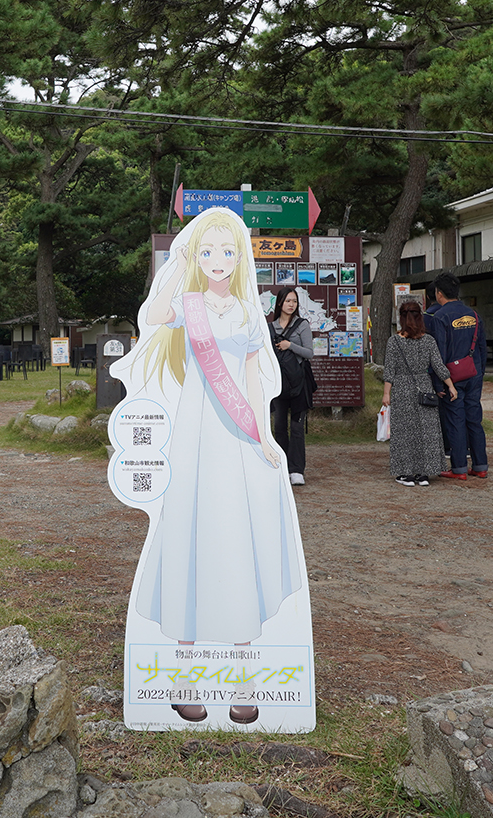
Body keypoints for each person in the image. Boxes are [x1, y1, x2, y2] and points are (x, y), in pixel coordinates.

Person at [123, 207, 305, 723]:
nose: (218, 261)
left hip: (237, 436)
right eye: (208, 252)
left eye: (227, 251)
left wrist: (265, 435)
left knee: (235, 543)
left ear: (239, 257)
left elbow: (252, 379)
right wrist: (178, 263)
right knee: (191, 541)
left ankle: (244, 681)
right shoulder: (189, 303)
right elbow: (153, 316)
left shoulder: (249, 314)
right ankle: (184, 681)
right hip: (195, 434)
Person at [383, 301, 457, 486]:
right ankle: (423, 474)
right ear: (420, 317)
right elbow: (439, 366)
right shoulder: (429, 340)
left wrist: (386, 394)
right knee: (425, 431)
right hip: (424, 387)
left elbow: (389, 371)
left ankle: (406, 474)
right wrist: (451, 386)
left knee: (404, 432)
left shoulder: (394, 342)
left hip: (401, 388)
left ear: (401, 318)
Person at [424, 272, 488, 480]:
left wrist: (438, 383)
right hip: (474, 374)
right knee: (474, 420)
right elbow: (482, 348)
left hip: (452, 378)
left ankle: (459, 468)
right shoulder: (474, 314)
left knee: (455, 421)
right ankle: (480, 465)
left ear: (439, 293)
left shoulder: (441, 316)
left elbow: (439, 353)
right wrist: (480, 374)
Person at [268, 286, 313, 485]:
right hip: (278, 385)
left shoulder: (302, 325)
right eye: (287, 301)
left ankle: (296, 470)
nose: (291, 304)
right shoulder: (270, 327)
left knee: (296, 427)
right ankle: (281, 467)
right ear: (280, 303)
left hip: (298, 385)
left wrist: (289, 345)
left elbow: (309, 353)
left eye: (294, 301)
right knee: (278, 427)